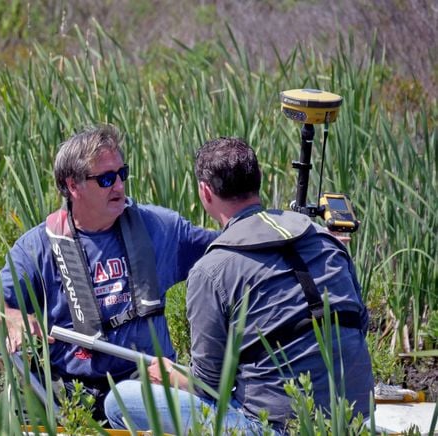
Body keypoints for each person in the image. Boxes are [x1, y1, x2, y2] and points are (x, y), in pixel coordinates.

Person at [105, 137, 373, 433]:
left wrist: (172, 376)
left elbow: (208, 387)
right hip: (353, 420)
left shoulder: (212, 269)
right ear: (257, 182)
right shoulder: (326, 241)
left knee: (119, 400)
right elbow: (360, 325)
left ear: (205, 192)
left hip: (274, 427)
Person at [0, 125, 218, 421]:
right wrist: (12, 318)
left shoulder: (160, 227)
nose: (118, 186)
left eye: (121, 174)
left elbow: (226, 253)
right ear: (73, 185)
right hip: (73, 392)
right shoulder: (38, 246)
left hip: (146, 386)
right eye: (105, 179)